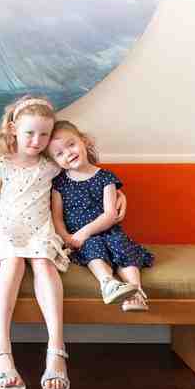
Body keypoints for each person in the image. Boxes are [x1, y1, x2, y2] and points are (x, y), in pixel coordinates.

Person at [0, 95, 73, 389]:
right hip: (6, 230)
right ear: (14, 129)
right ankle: (1, 347)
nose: (37, 140)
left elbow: (86, 176)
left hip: (40, 230)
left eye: (44, 134)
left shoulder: (51, 166)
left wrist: (118, 195)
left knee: (44, 264)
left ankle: (56, 348)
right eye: (30, 132)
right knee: (14, 262)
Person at [48, 120, 153, 312]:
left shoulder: (105, 177)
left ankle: (136, 291)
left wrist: (84, 232)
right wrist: (67, 238)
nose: (68, 153)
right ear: (54, 161)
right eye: (59, 153)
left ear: (84, 141)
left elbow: (110, 214)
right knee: (92, 247)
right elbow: (57, 218)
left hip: (107, 231)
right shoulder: (59, 183)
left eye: (71, 144)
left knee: (121, 246)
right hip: (79, 239)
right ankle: (108, 283)